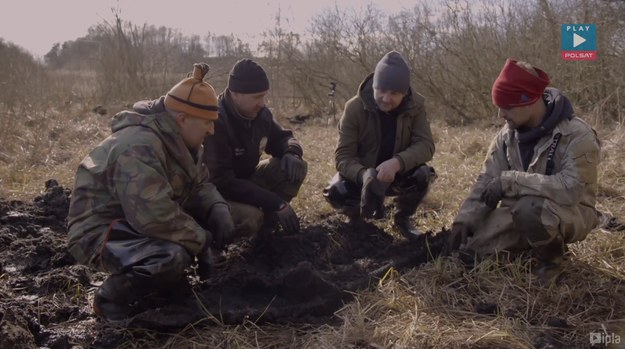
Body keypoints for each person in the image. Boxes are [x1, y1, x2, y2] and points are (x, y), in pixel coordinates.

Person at [67, 63, 235, 323]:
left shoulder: (182, 141)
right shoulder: (139, 146)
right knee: (171, 256)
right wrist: (201, 241)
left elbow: (199, 183)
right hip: (98, 230)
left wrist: (217, 206)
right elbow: (154, 216)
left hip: (133, 219)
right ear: (182, 119)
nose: (212, 130)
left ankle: (163, 282)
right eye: (208, 123)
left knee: (188, 240)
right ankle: (109, 298)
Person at [445, 58, 601, 283]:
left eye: (507, 106)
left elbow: (571, 189)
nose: (500, 114)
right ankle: (531, 239)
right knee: (472, 251)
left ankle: (552, 261)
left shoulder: (577, 134)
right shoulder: (506, 135)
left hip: (573, 211)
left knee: (531, 209)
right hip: (520, 211)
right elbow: (487, 179)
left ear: (529, 100)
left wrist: (512, 181)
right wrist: (465, 220)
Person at [322, 51, 436, 239]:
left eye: (394, 93)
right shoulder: (354, 108)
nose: (385, 98)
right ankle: (357, 221)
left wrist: (396, 163)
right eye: (381, 90)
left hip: (397, 175)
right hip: (363, 175)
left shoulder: (416, 107)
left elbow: (426, 145)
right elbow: (343, 157)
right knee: (337, 191)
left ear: (405, 92)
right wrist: (364, 174)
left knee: (422, 175)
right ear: (374, 85)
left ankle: (402, 219)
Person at [202, 58, 307, 239]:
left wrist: (292, 152)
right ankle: (216, 245)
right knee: (250, 218)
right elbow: (222, 182)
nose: (263, 102)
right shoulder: (216, 121)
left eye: (264, 95)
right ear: (235, 94)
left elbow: (283, 137)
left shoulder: (260, 113)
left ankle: (267, 230)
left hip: (246, 181)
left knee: (295, 166)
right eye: (257, 97)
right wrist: (275, 202)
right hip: (215, 194)